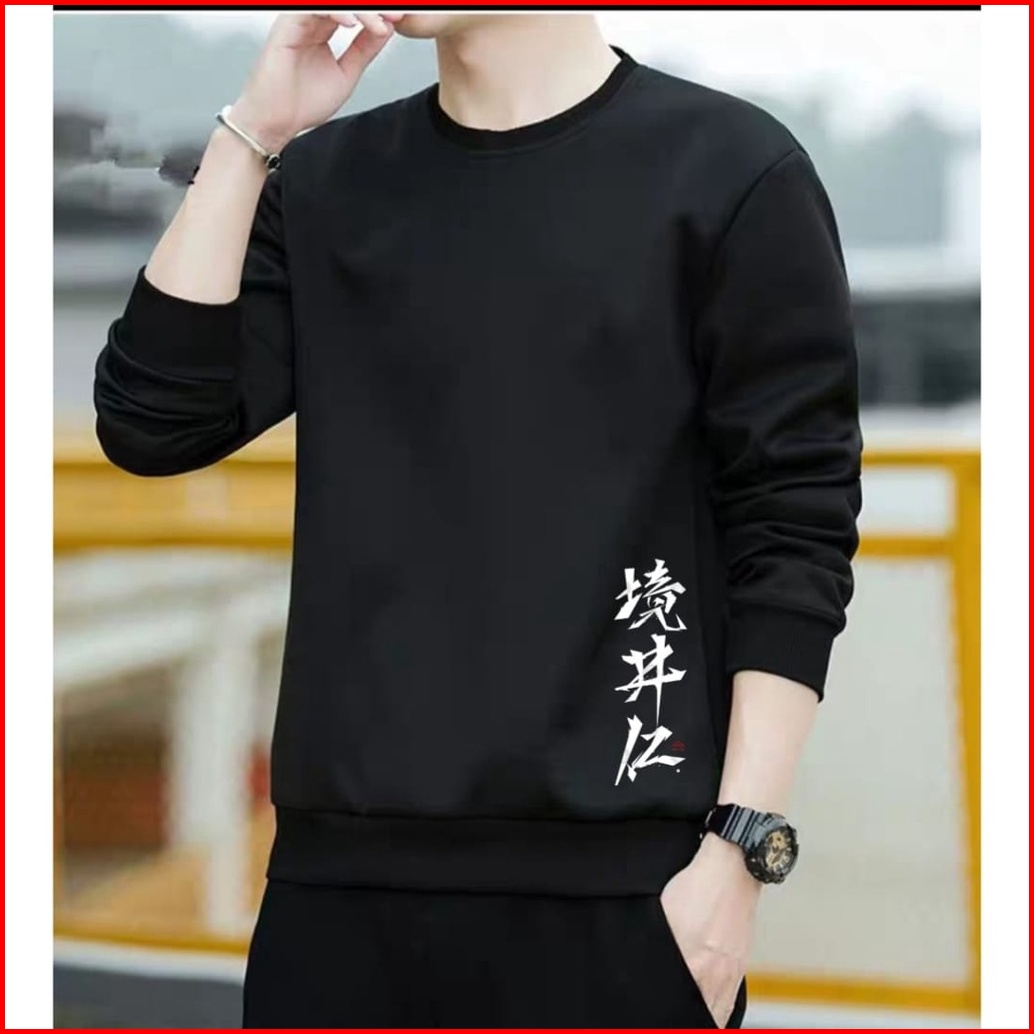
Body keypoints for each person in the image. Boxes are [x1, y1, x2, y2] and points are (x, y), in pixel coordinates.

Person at [93, 11, 863, 1029]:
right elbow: (153, 422)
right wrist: (255, 133)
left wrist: (739, 855)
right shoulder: (328, 183)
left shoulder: (729, 172)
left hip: (621, 888)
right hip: (339, 891)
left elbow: (793, 528)